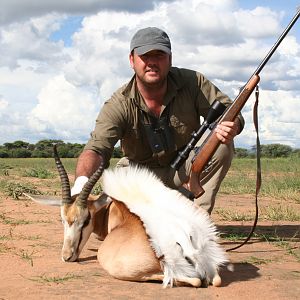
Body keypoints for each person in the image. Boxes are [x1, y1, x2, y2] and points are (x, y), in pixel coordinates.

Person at [71, 27, 244, 214]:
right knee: (110, 227)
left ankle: (198, 218)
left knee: (220, 142)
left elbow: (230, 112)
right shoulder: (118, 103)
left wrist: (233, 125)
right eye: (145, 56)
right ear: (132, 60)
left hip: (185, 169)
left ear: (170, 59)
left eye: (160, 55)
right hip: (139, 176)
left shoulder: (193, 82)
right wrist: (80, 185)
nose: (152, 62)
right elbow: (97, 148)